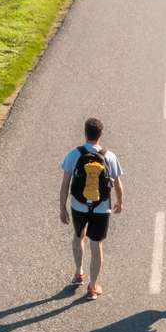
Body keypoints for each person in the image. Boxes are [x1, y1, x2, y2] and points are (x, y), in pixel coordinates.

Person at [59, 117, 124, 300]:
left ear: (85, 133)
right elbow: (118, 184)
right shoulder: (109, 156)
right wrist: (120, 201)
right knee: (96, 244)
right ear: (100, 134)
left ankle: (79, 272)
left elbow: (65, 184)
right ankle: (93, 286)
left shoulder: (74, 154)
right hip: (101, 207)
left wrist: (62, 208)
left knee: (78, 236)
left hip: (78, 205)